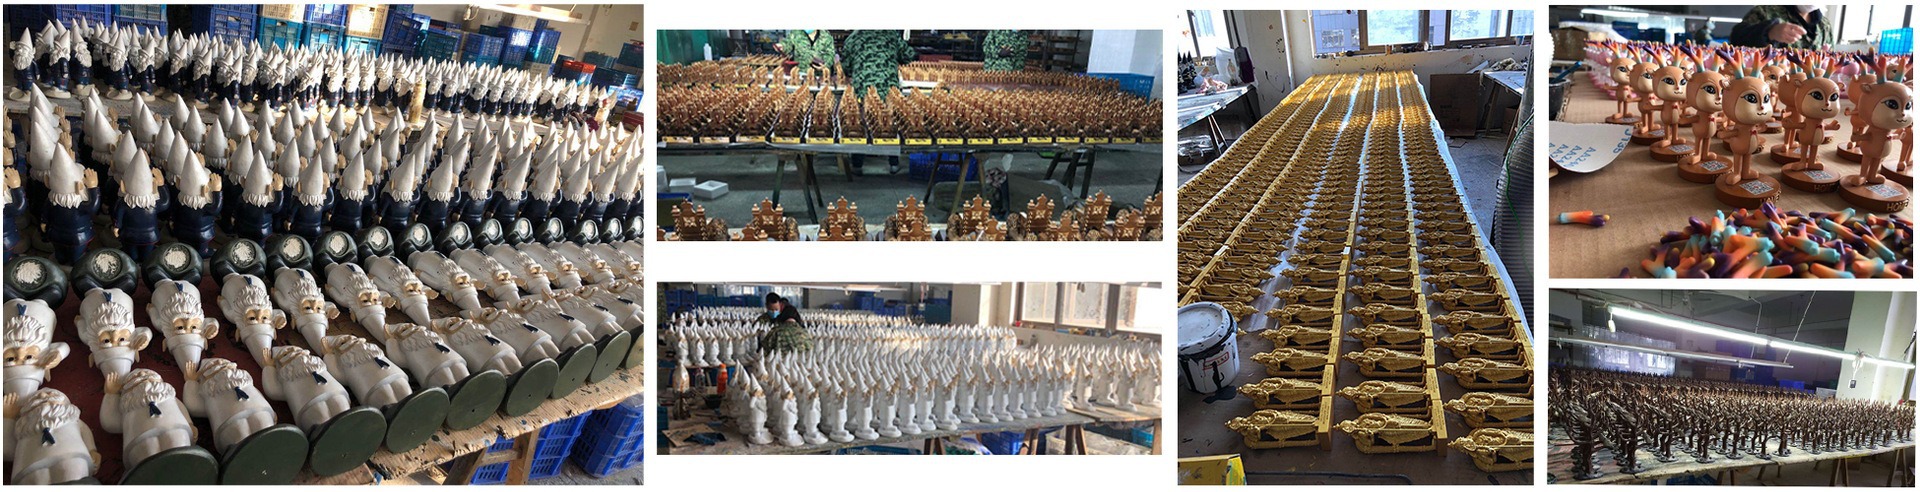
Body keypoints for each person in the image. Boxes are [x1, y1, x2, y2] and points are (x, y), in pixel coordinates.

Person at [844, 30, 917, 175]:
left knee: (862, 123)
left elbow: (846, 66)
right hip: (888, 86)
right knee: (890, 122)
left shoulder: (854, 37)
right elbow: (909, 56)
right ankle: (893, 163)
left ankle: (857, 164)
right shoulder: (891, 34)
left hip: (864, 87)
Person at [1729, 6, 1834, 49]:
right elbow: (1736, 38)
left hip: (1811, 87)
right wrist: (1770, 32)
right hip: (1770, 84)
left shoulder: (1825, 26)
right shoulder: (1766, 11)